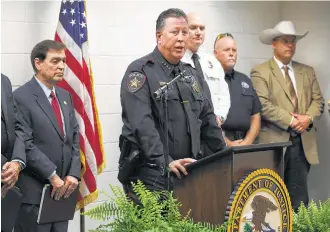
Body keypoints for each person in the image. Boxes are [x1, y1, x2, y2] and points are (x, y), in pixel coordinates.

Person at [118, 8, 226, 200]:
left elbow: (208, 120)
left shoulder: (191, 75)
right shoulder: (140, 71)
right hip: (152, 174)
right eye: (174, 32)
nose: (181, 38)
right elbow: (141, 125)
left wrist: (225, 155)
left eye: (185, 32)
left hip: (189, 172)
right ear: (159, 36)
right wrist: (165, 162)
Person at [251, 21, 324, 211]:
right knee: (271, 198)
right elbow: (262, 105)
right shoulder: (260, 71)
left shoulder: (307, 72)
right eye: (285, 41)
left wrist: (307, 118)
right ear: (273, 43)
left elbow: (318, 101)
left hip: (302, 143)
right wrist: (292, 120)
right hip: (273, 143)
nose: (290, 45)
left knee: (299, 200)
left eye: (293, 41)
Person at [13, 40, 80, 232]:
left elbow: (74, 137)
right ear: (38, 63)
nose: (62, 66)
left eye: (64, 61)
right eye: (55, 61)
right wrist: (52, 175)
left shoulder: (65, 96)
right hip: (35, 195)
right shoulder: (21, 97)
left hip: (62, 193)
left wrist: (73, 174)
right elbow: (25, 143)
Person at [181, 12, 231, 129]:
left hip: (212, 127)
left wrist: (220, 117)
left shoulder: (212, 62)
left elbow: (223, 94)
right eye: (193, 28)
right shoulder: (177, 60)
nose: (198, 32)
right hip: (187, 128)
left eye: (202, 28)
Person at [214, 33, 261, 146]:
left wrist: (248, 141)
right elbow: (206, 118)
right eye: (226, 50)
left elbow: (255, 115)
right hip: (219, 143)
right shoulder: (209, 80)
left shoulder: (244, 80)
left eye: (234, 50)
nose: (231, 53)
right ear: (215, 53)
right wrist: (227, 143)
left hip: (246, 142)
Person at [1, 74, 26, 197]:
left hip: (8, 178)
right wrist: (4, 168)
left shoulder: (3, 80)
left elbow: (18, 125)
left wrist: (17, 161)